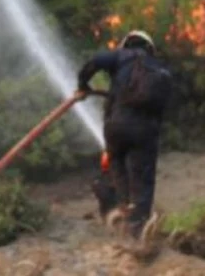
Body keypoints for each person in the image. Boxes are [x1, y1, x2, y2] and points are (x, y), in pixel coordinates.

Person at [74, 30, 173, 239]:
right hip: (145, 131)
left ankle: (123, 211)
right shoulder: (160, 68)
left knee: (117, 170)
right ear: (149, 48)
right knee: (143, 181)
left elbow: (95, 61)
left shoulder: (120, 56)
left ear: (126, 43)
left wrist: (83, 84)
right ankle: (138, 231)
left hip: (115, 128)